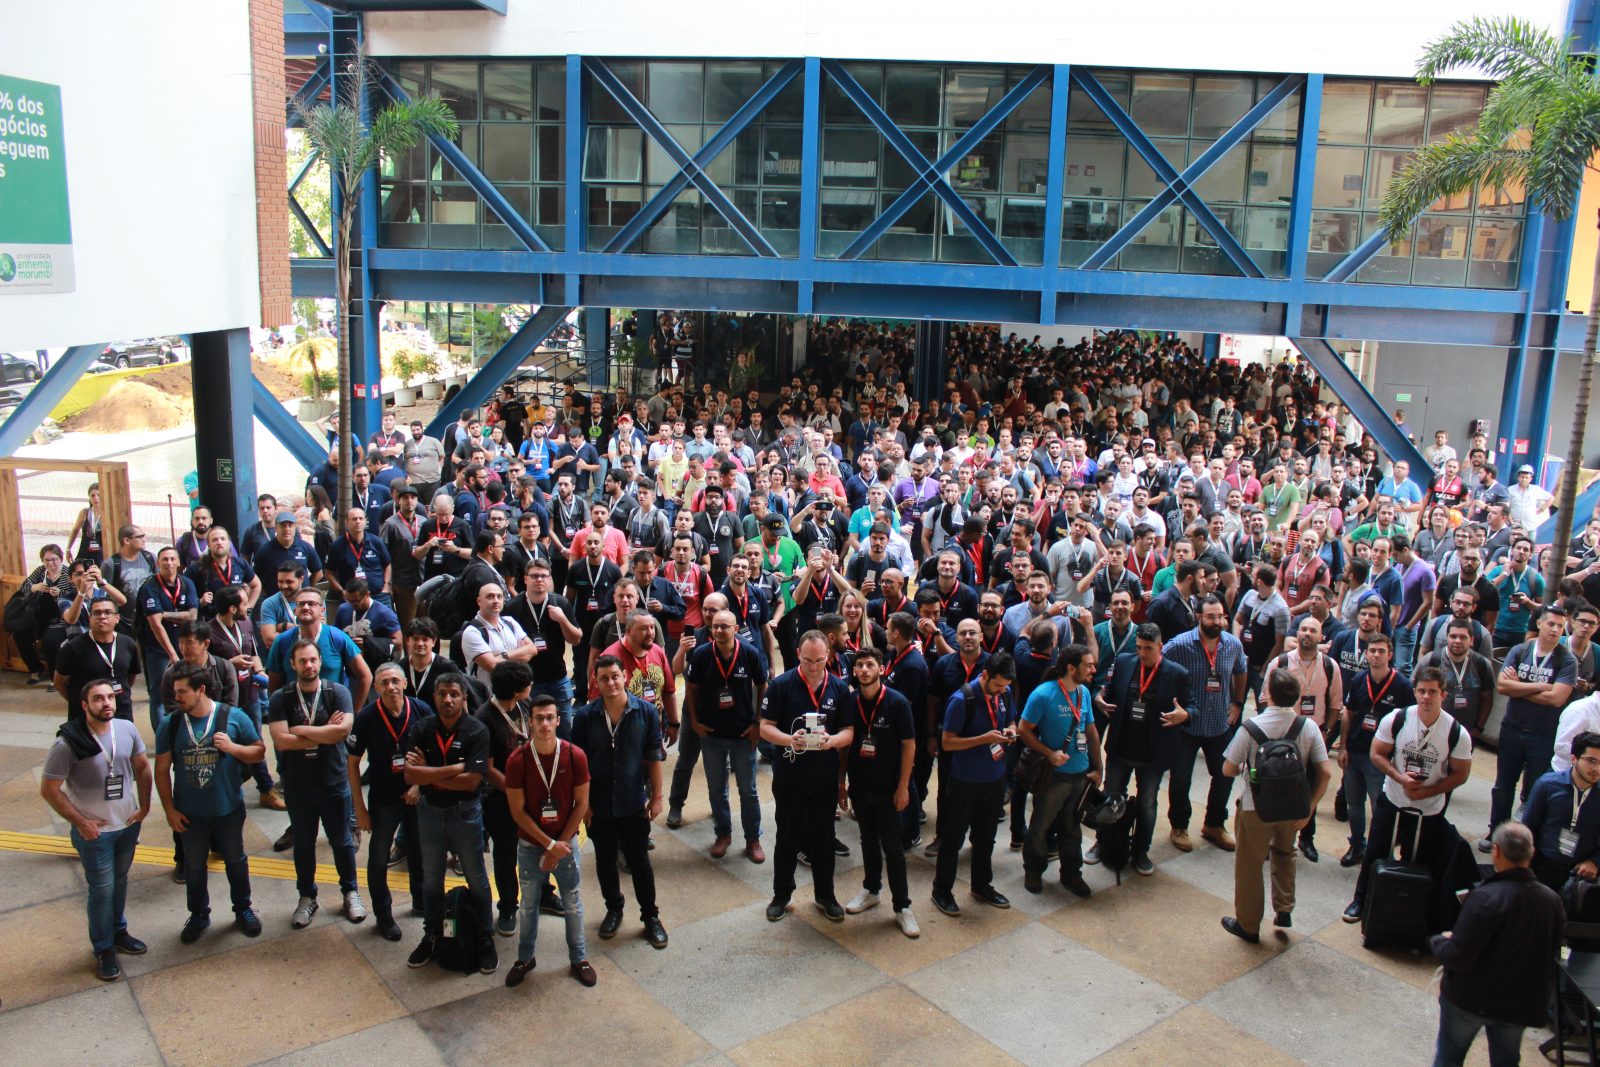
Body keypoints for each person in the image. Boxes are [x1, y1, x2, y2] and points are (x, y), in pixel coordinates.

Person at [39, 679, 153, 981]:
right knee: (102, 890)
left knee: (120, 881)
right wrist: (81, 822)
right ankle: (103, 949)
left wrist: (144, 807)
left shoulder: (126, 729)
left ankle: (118, 931)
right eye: (98, 698)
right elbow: (49, 789)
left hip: (127, 825)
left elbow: (142, 767)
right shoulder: (68, 743)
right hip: (95, 835)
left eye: (110, 697)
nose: (106, 703)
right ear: (84, 705)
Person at [1343, 665, 1474, 923]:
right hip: (1394, 798)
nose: (1426, 697)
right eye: (1422, 691)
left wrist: (1429, 791)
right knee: (1375, 851)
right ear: (1414, 692)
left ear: (1443, 695)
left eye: (1432, 692)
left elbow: (1461, 774)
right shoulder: (1397, 719)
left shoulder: (1456, 732)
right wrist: (1400, 778)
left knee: (1420, 858)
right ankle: (1361, 899)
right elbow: (1377, 754)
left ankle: (1411, 908)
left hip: (1429, 807)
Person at [1429, 821, 1563, 1067]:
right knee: (1507, 1061)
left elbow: (1458, 956)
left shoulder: (1485, 898)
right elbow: (1551, 953)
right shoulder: (1552, 901)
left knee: (1449, 1057)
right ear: (1531, 852)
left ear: (1497, 851)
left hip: (1470, 1001)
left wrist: (1440, 941)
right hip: (1518, 1005)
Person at [154, 665, 266, 945]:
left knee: (236, 861)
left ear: (201, 690)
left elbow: (258, 752)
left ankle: (243, 909)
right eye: (175, 691)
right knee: (194, 865)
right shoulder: (171, 723)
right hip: (189, 814)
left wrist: (232, 748)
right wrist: (169, 809)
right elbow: (161, 769)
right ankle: (198, 914)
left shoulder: (233, 717)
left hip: (228, 809)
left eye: (182, 692)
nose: (176, 697)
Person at [1219, 669, 1332, 943]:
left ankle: (1248, 924)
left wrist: (1249, 768)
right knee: (1285, 853)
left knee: (1249, 865)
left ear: (1267, 694)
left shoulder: (1251, 728)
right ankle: (1283, 909)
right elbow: (1326, 772)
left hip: (1255, 807)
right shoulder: (1308, 727)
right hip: (1293, 808)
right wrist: (1309, 808)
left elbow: (1227, 769)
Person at [266, 640, 366, 929]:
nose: (308, 665)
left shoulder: (338, 692)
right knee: (303, 844)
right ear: (293, 665)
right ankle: (307, 897)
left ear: (320, 662)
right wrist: (325, 732)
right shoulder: (281, 698)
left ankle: (350, 892)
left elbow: (342, 732)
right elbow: (281, 741)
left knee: (342, 841)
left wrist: (301, 730)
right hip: (298, 785)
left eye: (312, 660)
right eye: (302, 661)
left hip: (334, 781)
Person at [403, 671, 498, 974]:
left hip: (465, 814)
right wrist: (453, 769)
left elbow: (472, 782)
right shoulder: (421, 729)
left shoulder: (477, 731)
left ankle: (485, 937)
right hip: (429, 813)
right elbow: (410, 775)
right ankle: (432, 935)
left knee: (476, 878)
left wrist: (430, 774)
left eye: (454, 694)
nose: (448, 699)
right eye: (442, 693)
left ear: (464, 698)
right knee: (431, 879)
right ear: (434, 697)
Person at [572, 655, 669, 948]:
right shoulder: (585, 717)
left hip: (632, 802)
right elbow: (579, 766)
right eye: (604, 678)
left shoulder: (646, 712)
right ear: (596, 682)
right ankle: (614, 908)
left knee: (639, 862)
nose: (611, 682)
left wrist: (657, 797)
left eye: (615, 676)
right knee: (604, 860)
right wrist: (584, 804)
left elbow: (653, 758)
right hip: (599, 805)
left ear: (624, 676)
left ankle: (650, 916)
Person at [760, 630, 854, 922]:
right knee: (787, 836)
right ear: (798, 654)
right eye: (807, 660)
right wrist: (789, 740)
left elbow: (849, 731)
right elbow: (765, 726)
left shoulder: (839, 688)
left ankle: (826, 895)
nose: (814, 667)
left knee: (823, 837)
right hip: (789, 776)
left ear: (829, 656)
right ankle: (781, 894)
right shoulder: (781, 685)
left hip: (823, 778)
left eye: (820, 660)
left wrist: (831, 741)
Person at [504, 695, 597, 988]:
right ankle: (525, 958)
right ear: (530, 722)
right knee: (528, 904)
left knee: (572, 902)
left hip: (565, 844)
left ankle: (579, 958)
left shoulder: (574, 756)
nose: (544, 724)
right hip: (531, 845)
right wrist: (548, 845)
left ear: (558, 720)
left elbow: (581, 804)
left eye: (549, 718)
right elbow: (517, 812)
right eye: (539, 718)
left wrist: (560, 845)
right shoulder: (517, 760)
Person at [1099, 623, 1193, 875]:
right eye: (1139, 647)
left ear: (1160, 647)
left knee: (1147, 804)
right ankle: (1103, 843)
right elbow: (1109, 692)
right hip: (1121, 748)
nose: (1142, 653)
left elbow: (1191, 707)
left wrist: (1184, 715)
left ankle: (1141, 851)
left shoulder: (1177, 674)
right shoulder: (1124, 662)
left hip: (1152, 754)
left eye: (1148, 648)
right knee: (1111, 797)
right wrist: (1101, 698)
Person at [840, 646, 920, 938]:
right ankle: (871, 889)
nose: (864, 670)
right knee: (867, 840)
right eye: (859, 665)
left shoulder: (897, 702)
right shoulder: (850, 702)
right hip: (861, 785)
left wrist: (903, 787)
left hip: (889, 787)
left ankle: (903, 906)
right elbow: (845, 745)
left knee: (893, 847)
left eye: (870, 665)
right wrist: (841, 783)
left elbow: (909, 745)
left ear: (882, 669)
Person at [930, 652, 1018, 918]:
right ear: (985, 675)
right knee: (952, 840)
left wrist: (1011, 730)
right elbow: (947, 743)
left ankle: (981, 885)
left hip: (994, 779)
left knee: (985, 837)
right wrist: (983, 739)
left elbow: (1011, 719)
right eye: (997, 685)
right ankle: (941, 890)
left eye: (1005, 686)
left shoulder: (1004, 693)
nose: (1001, 690)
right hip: (964, 782)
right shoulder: (961, 700)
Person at [1486, 604, 1577, 853]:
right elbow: (1502, 686)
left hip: (1543, 735)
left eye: (1560, 626)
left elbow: (1557, 699)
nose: (1555, 630)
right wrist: (1542, 686)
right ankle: (1496, 832)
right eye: (1551, 624)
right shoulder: (1521, 650)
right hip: (1512, 729)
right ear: (1539, 624)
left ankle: (1525, 839)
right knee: (1503, 786)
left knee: (1535, 789)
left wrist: (1520, 686)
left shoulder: (1566, 660)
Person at [347, 662, 429, 942]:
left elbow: (434, 753)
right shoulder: (367, 717)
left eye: (395, 681)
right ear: (376, 687)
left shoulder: (421, 710)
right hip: (383, 800)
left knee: (419, 852)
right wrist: (359, 810)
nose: (391, 687)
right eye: (384, 682)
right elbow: (352, 763)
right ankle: (383, 914)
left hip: (415, 796)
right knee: (379, 857)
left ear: (405, 683)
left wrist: (419, 786)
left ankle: (421, 901)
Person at [1163, 594, 1249, 853]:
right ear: (1199, 617)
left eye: (1220, 616)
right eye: (1211, 616)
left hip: (1219, 724)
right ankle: (1179, 826)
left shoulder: (1233, 645)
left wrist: (1238, 702)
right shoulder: (1179, 645)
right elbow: (1160, 667)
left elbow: (1241, 670)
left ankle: (1214, 824)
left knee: (1225, 775)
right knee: (1180, 779)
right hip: (1187, 725)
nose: (1217, 621)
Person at [1019, 644, 1103, 897]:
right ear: (1071, 668)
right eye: (1088, 665)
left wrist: (1099, 767)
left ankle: (1071, 874)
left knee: (1072, 826)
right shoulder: (1043, 694)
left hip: (1080, 774)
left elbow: (1090, 731)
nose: (1093, 670)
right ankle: (1034, 870)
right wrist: (1049, 753)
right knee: (1041, 825)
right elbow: (1024, 730)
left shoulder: (1084, 693)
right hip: (1053, 776)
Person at [683, 609, 768, 861]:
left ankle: (753, 838)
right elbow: (691, 688)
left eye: (724, 626)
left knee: (748, 790)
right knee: (717, 788)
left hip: (743, 733)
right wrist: (694, 721)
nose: (719, 630)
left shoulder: (749, 653)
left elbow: (762, 685)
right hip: (712, 734)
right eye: (715, 626)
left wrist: (758, 723)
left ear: (736, 628)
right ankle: (723, 834)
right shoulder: (701, 654)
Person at [474, 659, 536, 938]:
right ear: (514, 690)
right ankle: (508, 905)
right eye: (527, 684)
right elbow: (488, 769)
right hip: (501, 798)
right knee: (506, 853)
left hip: (532, 791)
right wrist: (515, 793)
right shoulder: (485, 718)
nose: (531, 686)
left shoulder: (525, 706)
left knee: (539, 846)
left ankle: (545, 893)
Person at [1522, 731, 1600, 891]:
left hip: (1581, 873)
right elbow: (1527, 827)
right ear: (1574, 758)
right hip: (1542, 866)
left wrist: (1595, 862)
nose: (1597, 768)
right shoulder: (1547, 785)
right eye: (1591, 761)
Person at [54, 598, 140, 724]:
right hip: (86, 716)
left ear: (117, 618)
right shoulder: (72, 648)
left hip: (121, 711)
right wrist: (79, 702)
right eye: (97, 613)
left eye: (107, 612)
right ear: (90, 619)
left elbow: (129, 678)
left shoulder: (128, 644)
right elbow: (59, 682)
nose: (102, 616)